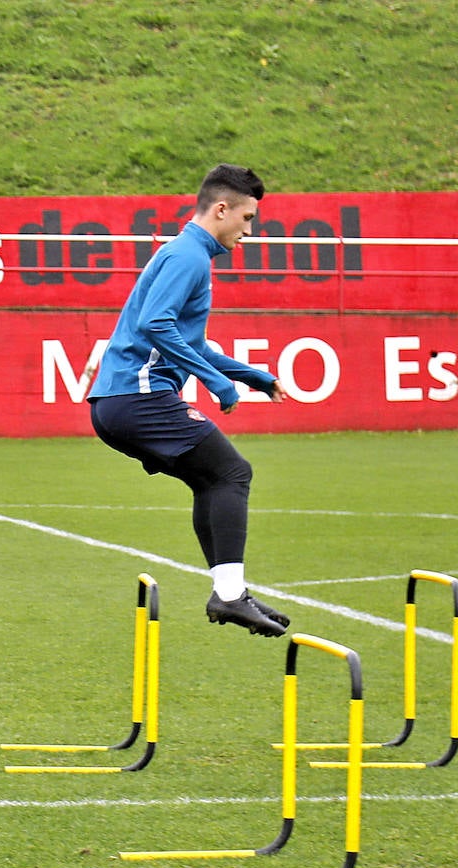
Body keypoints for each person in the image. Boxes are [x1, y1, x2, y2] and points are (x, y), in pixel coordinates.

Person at [88, 163, 292, 638]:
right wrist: (218, 386)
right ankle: (228, 595)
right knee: (231, 473)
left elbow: (188, 342)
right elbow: (155, 325)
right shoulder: (189, 258)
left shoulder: (182, 251)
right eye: (246, 220)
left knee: (213, 479)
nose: (248, 232)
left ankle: (230, 592)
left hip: (119, 402)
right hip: (137, 397)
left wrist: (252, 377)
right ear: (221, 210)